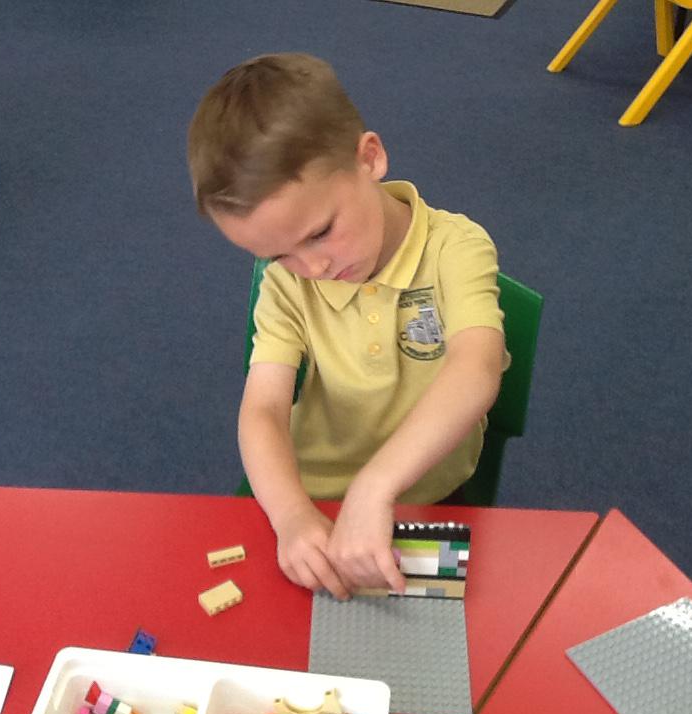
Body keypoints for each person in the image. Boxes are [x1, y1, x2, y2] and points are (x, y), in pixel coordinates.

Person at [187, 53, 507, 601]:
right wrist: (291, 514)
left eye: (319, 233)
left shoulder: (456, 247)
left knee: (446, 639)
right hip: (312, 504)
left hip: (428, 494)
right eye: (278, 254)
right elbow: (263, 409)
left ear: (369, 158)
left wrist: (375, 485)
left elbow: (475, 368)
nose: (313, 268)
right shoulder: (287, 284)